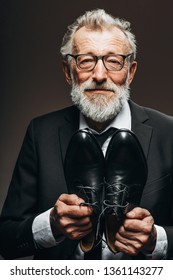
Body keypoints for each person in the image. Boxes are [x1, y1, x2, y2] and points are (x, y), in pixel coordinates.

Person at [0, 8, 173, 260]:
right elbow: (6, 239)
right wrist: (51, 224)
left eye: (113, 61)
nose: (100, 75)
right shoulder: (41, 132)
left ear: (130, 72)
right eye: (86, 61)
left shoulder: (169, 133)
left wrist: (156, 240)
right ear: (68, 71)